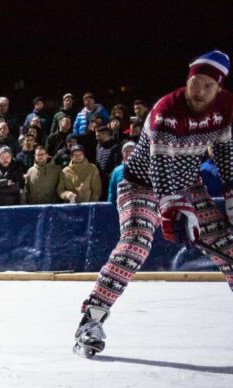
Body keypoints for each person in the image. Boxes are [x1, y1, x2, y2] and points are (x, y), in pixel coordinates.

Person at [74, 52, 233, 357]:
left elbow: (226, 156)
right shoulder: (165, 111)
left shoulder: (226, 108)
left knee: (228, 245)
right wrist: (172, 208)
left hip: (188, 185)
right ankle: (90, 321)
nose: (199, 92)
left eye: (208, 86)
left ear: (219, 88)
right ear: (187, 79)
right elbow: (160, 167)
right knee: (136, 244)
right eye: (195, 83)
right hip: (141, 185)